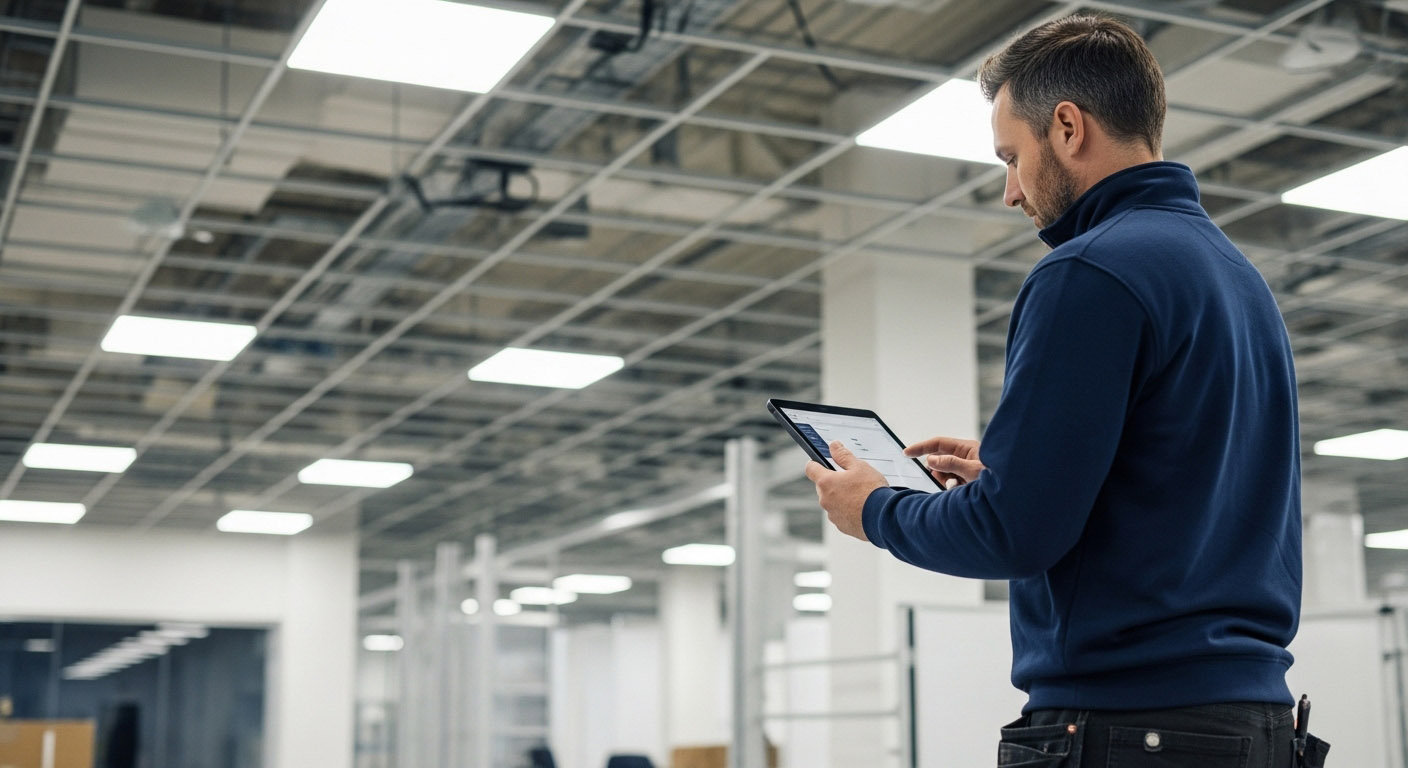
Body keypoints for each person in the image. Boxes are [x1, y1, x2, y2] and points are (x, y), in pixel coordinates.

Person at [804, 14, 1309, 767]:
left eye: (1011, 156)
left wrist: (875, 510)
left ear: (1067, 127)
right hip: (1253, 729)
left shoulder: (1089, 271)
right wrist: (1023, 463)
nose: (1010, 191)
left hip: (1131, 731)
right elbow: (1181, 476)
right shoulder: (1236, 277)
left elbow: (1015, 532)